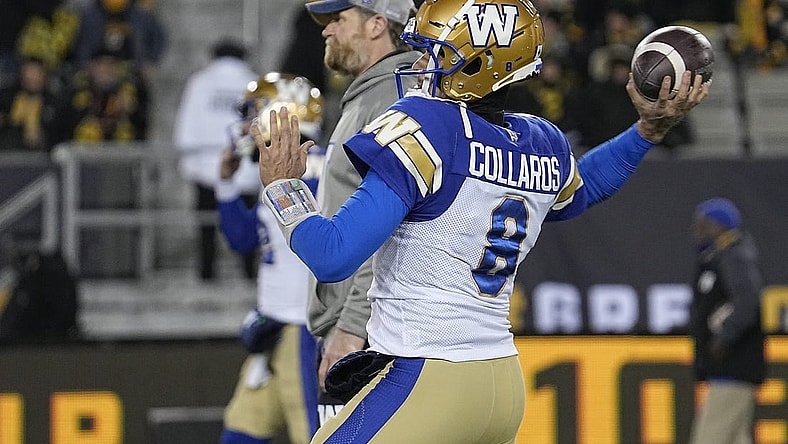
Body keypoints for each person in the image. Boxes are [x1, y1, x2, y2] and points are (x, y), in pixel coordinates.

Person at [251, 0, 709, 441]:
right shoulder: (539, 139)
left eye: (438, 52)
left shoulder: (425, 126)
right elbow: (582, 189)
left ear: (477, 63)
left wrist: (282, 187)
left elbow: (333, 256)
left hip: (428, 373)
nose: (424, 63)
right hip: (502, 381)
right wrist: (647, 132)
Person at [300, 0, 422, 419]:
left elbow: (393, 230)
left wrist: (352, 327)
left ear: (375, 25)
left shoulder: (391, 100)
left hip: (373, 334)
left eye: (338, 19)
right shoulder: (374, 94)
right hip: (369, 327)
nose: (326, 31)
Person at [217, 73, 324, 444]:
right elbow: (244, 238)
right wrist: (226, 184)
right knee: (239, 434)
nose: (247, 125)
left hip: (303, 330)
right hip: (274, 330)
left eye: (255, 113)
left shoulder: (316, 171)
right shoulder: (279, 175)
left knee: (312, 435)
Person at [172, 38, 259, 281]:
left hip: (204, 165)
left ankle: (207, 273)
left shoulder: (199, 82)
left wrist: (188, 160)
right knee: (246, 222)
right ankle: (249, 273)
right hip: (243, 165)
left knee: (206, 225)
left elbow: (186, 126)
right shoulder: (253, 82)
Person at [688, 197, 765, 444]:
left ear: (719, 226)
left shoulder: (734, 256)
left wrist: (724, 337)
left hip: (733, 367)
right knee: (735, 439)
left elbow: (746, 303)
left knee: (709, 438)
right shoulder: (721, 257)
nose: (698, 229)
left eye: (704, 223)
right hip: (730, 369)